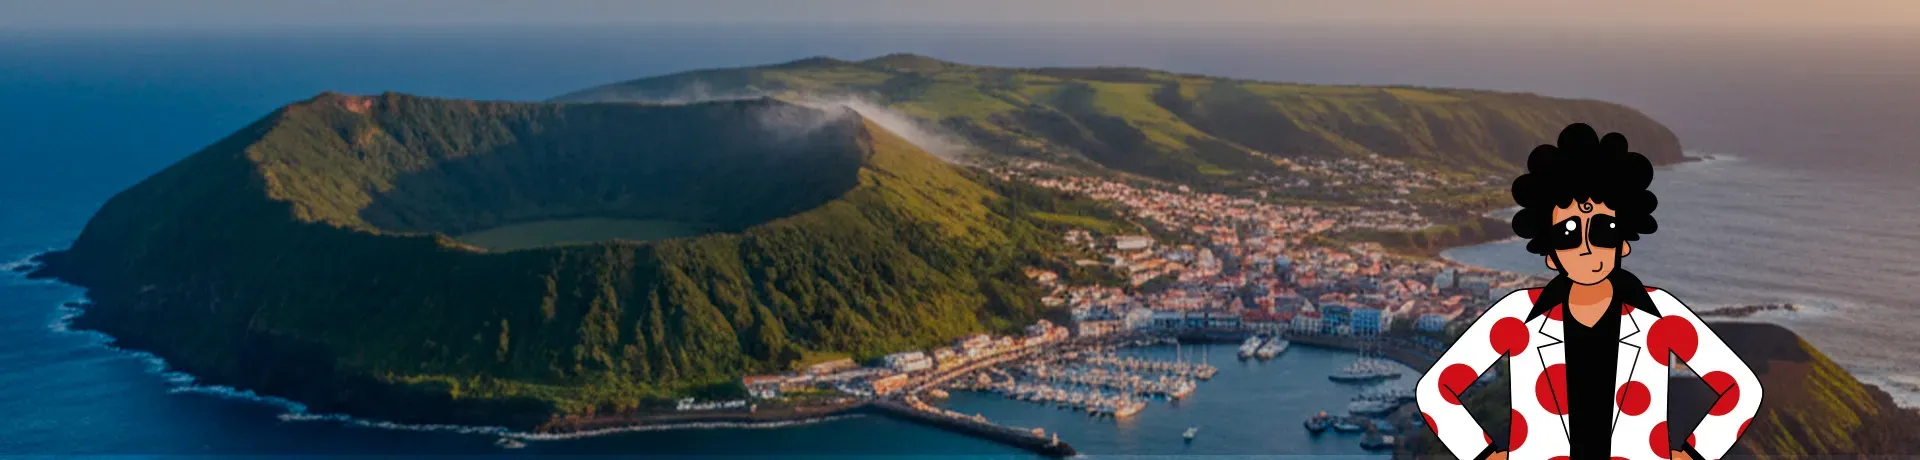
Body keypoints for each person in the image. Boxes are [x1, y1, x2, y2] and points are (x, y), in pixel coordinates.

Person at [1415, 123, 1762, 460]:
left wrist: (1695, 454)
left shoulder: (1661, 314)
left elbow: (1741, 390)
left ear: (1623, 242)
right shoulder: (1517, 315)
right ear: (1549, 252)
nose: (1586, 247)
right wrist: (1483, 454)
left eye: (1604, 230)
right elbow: (1436, 391)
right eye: (1567, 234)